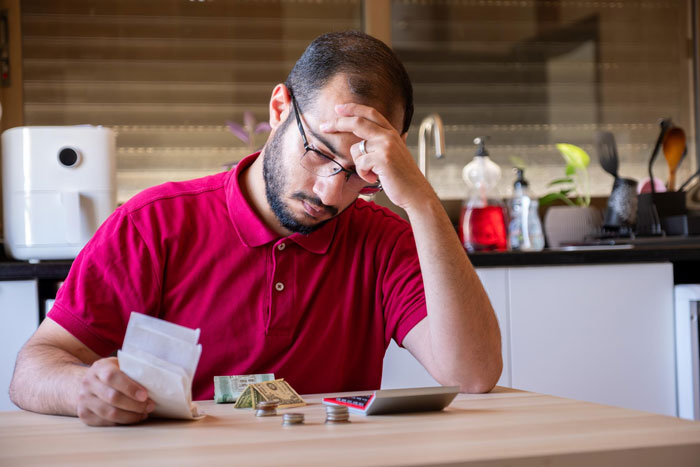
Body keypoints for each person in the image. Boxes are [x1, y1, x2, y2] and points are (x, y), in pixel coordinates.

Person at [9, 31, 502, 426]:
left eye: (360, 173)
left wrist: (419, 202)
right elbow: (33, 368)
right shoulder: (153, 223)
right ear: (280, 109)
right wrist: (82, 389)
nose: (330, 193)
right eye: (319, 153)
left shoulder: (383, 239)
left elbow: (473, 375)